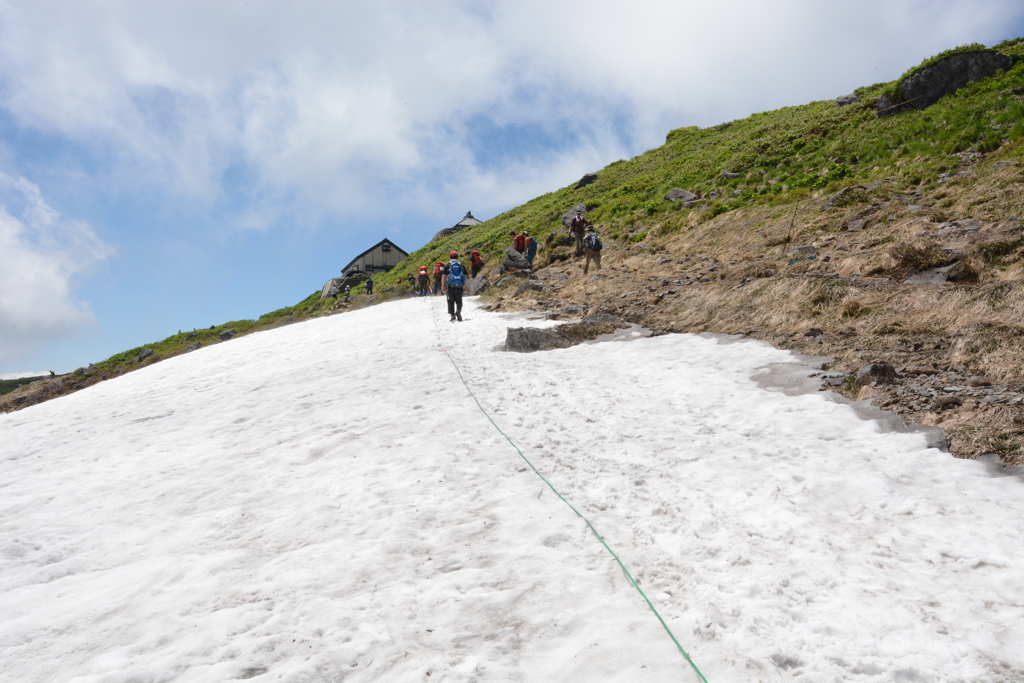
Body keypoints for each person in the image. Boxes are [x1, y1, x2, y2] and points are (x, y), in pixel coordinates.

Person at [442, 250, 467, 321]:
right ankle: (458, 311)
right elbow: (465, 276)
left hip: (450, 286)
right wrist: (466, 286)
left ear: (449, 257)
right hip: (459, 285)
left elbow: (443, 276)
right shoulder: (461, 265)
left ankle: (452, 316)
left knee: (450, 301)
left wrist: (443, 286)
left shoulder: (448, 265)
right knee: (459, 300)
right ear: (457, 257)